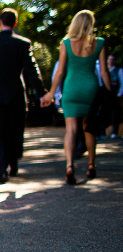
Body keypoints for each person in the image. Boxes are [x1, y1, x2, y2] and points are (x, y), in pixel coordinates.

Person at [41, 10, 112, 184]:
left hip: (71, 88)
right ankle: (91, 165)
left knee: (71, 129)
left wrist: (51, 92)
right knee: (89, 128)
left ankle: (70, 166)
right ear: (91, 24)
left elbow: (60, 71)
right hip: (90, 89)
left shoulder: (66, 43)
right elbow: (104, 71)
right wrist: (109, 93)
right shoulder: (99, 43)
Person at [0, 8, 46, 183]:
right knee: (15, 130)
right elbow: (31, 70)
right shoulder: (22, 44)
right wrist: (41, 93)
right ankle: (12, 164)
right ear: (15, 23)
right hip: (15, 94)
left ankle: (2, 169)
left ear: (0, 22)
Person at [96, 54, 123, 138]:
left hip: (115, 94)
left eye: (112, 59)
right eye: (110, 59)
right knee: (103, 113)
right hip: (105, 94)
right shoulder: (103, 70)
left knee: (116, 114)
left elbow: (122, 83)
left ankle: (115, 132)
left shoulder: (118, 70)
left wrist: (119, 93)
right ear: (107, 60)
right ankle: (102, 132)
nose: (111, 61)